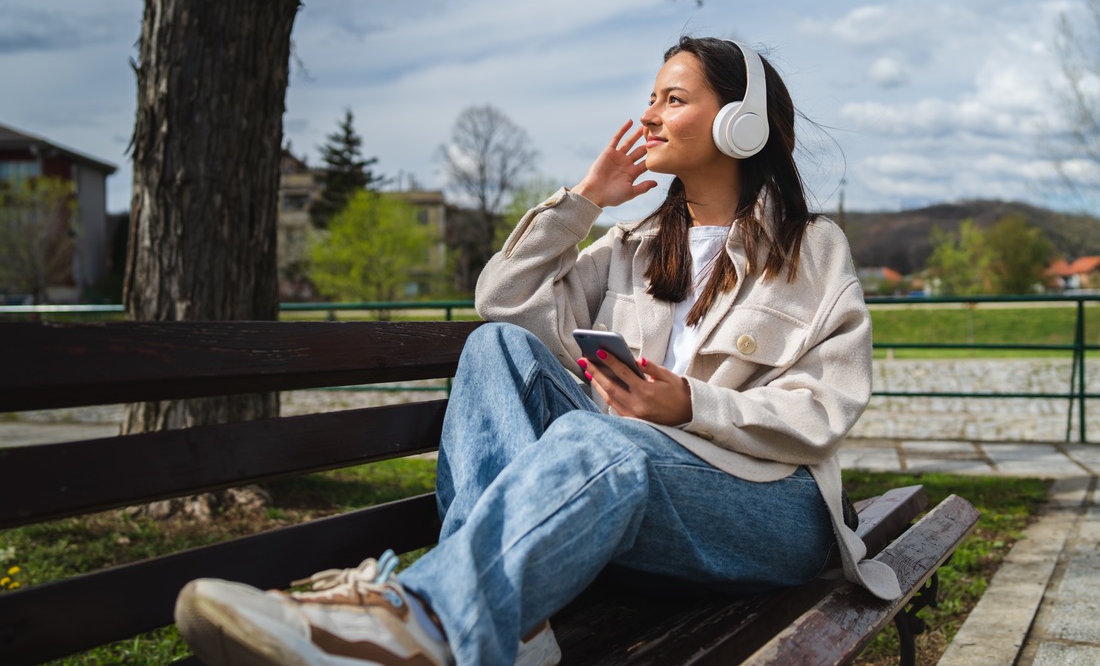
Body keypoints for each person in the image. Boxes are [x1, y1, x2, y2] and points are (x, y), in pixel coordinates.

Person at [174, 36, 901, 666]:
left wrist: (690, 403)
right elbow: (506, 301)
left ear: (742, 124)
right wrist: (584, 200)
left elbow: (823, 410)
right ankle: (509, 625)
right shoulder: (635, 247)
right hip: (641, 496)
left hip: (768, 512)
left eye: (672, 99)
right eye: (650, 97)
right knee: (496, 348)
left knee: (605, 439)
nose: (648, 114)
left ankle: (417, 618)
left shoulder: (812, 249)